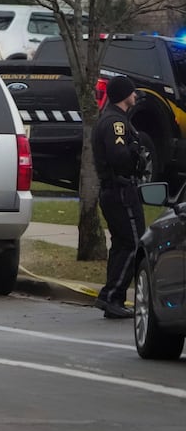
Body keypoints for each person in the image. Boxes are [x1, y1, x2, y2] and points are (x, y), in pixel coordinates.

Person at [92, 74, 146, 319]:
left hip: (113, 190)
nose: (135, 96)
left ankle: (109, 296)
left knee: (122, 244)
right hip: (121, 190)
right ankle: (114, 295)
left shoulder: (113, 119)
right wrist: (135, 153)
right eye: (133, 92)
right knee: (134, 243)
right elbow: (119, 157)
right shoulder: (116, 123)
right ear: (125, 95)